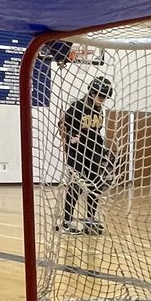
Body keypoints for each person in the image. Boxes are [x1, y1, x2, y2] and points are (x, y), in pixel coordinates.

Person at [58, 76, 114, 235]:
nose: (101, 100)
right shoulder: (77, 107)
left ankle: (90, 220)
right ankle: (67, 222)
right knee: (75, 187)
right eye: (100, 96)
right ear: (91, 92)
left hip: (94, 154)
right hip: (78, 154)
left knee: (95, 187)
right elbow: (62, 124)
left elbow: (95, 132)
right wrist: (69, 137)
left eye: (104, 97)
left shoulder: (98, 110)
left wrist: (102, 153)